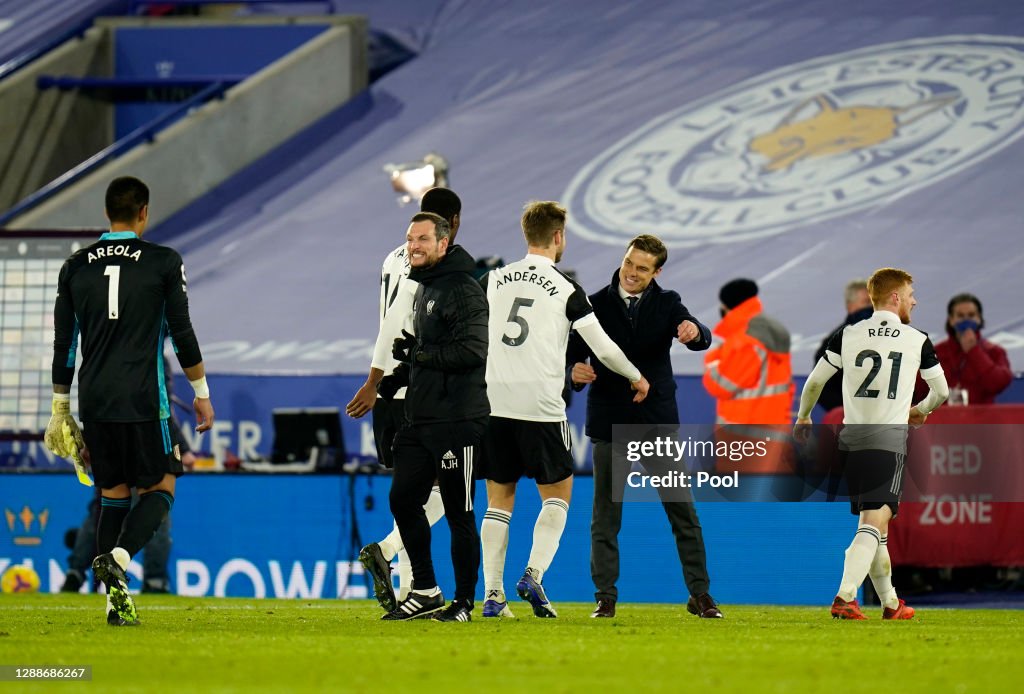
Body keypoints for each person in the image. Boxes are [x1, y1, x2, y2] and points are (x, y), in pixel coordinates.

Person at [45, 176, 214, 626]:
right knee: (161, 487)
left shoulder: (75, 266)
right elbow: (182, 334)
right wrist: (201, 395)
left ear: (107, 214)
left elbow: (64, 344)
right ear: (144, 212)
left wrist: (60, 408)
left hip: (95, 399)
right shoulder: (163, 261)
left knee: (112, 494)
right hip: (145, 398)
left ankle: (113, 603)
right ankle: (119, 556)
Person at [479, 202, 649, 619]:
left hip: (494, 401)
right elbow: (603, 347)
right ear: (558, 237)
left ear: (526, 235)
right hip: (540, 404)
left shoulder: (492, 280)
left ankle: (493, 596)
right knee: (557, 495)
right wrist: (635, 376)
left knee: (498, 500)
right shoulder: (566, 289)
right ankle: (533, 574)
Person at [568, 234, 722, 619]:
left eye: (642, 268)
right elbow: (571, 356)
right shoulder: (594, 304)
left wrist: (694, 331)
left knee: (682, 513)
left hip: (656, 425)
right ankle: (605, 598)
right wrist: (574, 372)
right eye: (629, 263)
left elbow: (700, 335)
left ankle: (700, 596)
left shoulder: (668, 303)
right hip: (610, 423)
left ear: (657, 272)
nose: (632, 273)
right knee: (606, 517)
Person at [795, 267, 948, 620]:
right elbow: (941, 392)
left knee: (875, 525)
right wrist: (920, 411)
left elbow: (816, 382)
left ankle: (891, 602)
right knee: (874, 522)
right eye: (910, 294)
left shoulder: (848, 335)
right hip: (888, 437)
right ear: (895, 297)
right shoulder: (916, 338)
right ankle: (846, 596)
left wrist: (804, 417)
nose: (914, 300)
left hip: (852, 440)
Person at [345, 188, 462, 611]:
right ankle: (391, 552)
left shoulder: (392, 257)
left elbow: (384, 321)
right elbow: (403, 321)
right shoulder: (433, 265)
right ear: (454, 222)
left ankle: (416, 590)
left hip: (388, 389)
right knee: (434, 492)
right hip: (418, 386)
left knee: (407, 491)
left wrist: (374, 382)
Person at [376, 212, 489, 622]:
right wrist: (397, 379)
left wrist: (418, 356)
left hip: (457, 422)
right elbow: (427, 351)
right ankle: (425, 589)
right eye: (409, 239)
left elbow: (474, 352)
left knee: (459, 511)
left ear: (444, 243)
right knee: (402, 500)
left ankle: (463, 602)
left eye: (422, 239)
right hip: (420, 419)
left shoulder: (463, 289)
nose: (414, 246)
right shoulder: (426, 287)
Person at [930, 293, 1013, 406]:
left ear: (979, 319)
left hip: (982, 421)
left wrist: (974, 351)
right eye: (960, 315)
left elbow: (998, 384)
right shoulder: (937, 353)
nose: (966, 320)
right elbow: (916, 391)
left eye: (971, 315)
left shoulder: (994, 352)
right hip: (944, 421)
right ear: (951, 320)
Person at [813, 279, 873, 415]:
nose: (873, 308)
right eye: (867, 302)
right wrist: (846, 411)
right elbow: (821, 385)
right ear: (850, 306)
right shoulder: (835, 342)